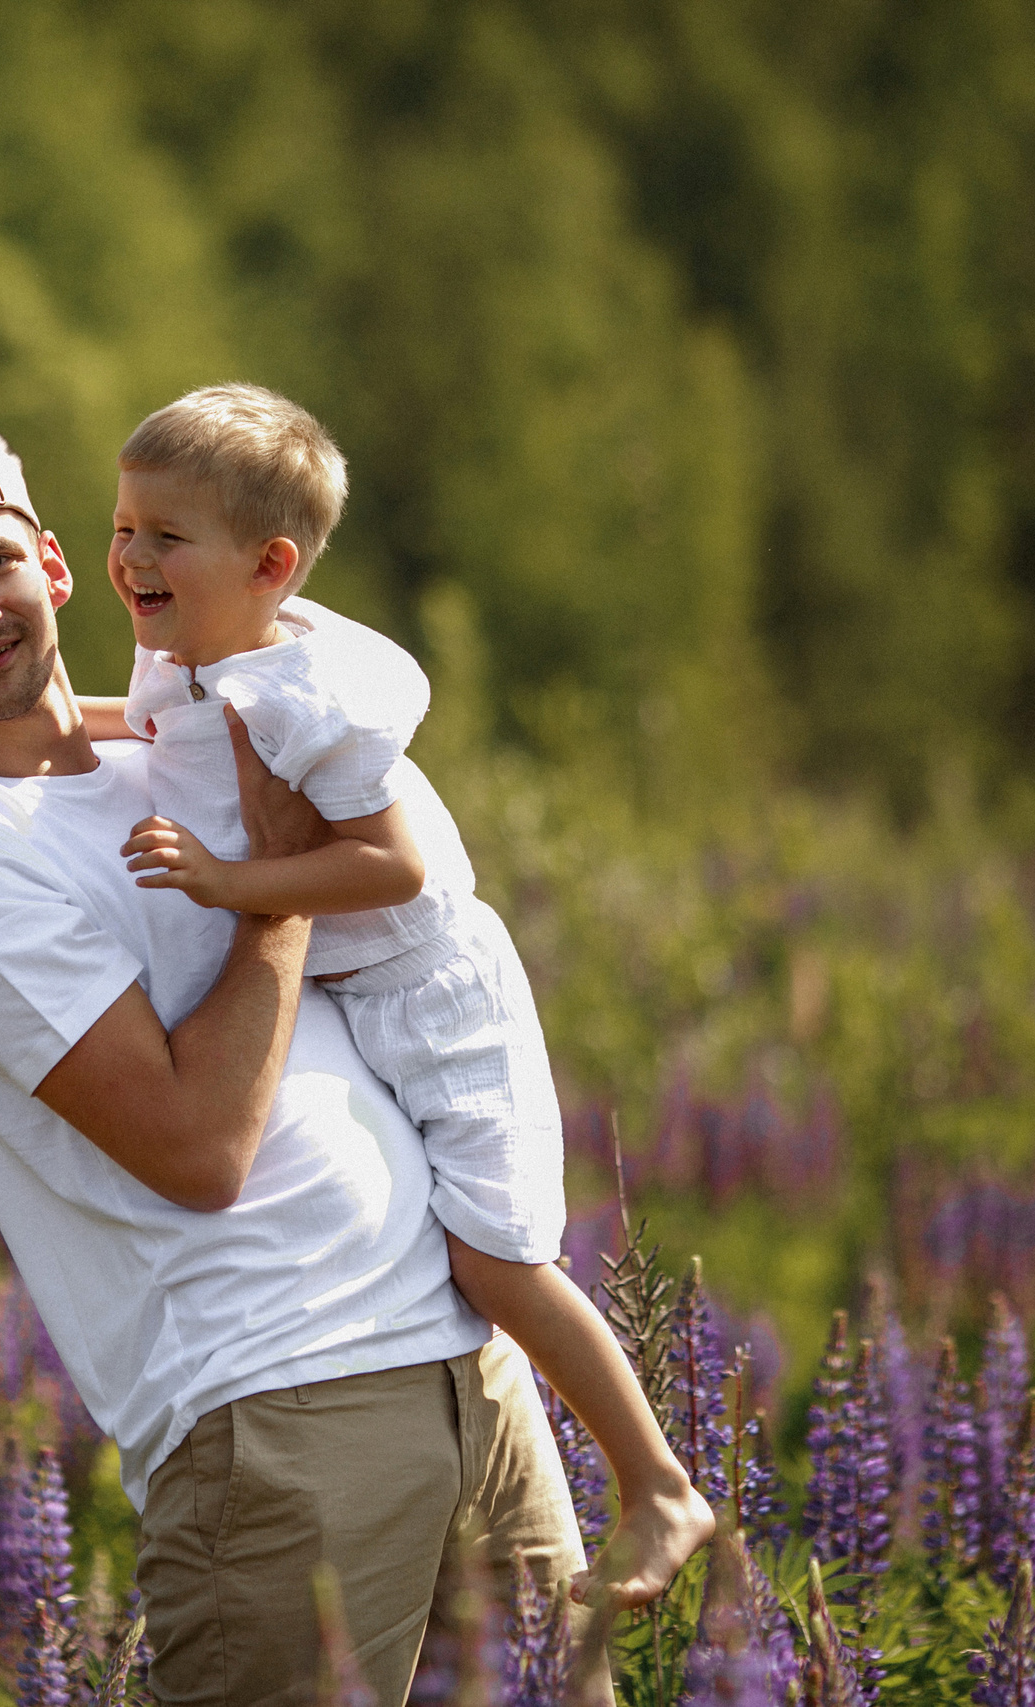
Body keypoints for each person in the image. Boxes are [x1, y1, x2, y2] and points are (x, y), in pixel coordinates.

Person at [0, 412, 599, 1706]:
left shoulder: (170, 727)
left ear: (60, 566)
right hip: (283, 1414)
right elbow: (200, 1148)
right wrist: (278, 882)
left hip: (470, 1364)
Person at [77, 383, 714, 1611]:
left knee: (495, 1258)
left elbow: (391, 863)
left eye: (165, 537)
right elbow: (146, 729)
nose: (130, 558)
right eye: (121, 526)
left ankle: (658, 1487)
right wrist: (30, 735)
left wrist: (230, 879)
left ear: (268, 566)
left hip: (437, 997)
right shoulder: (186, 653)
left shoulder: (308, 698)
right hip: (355, 994)